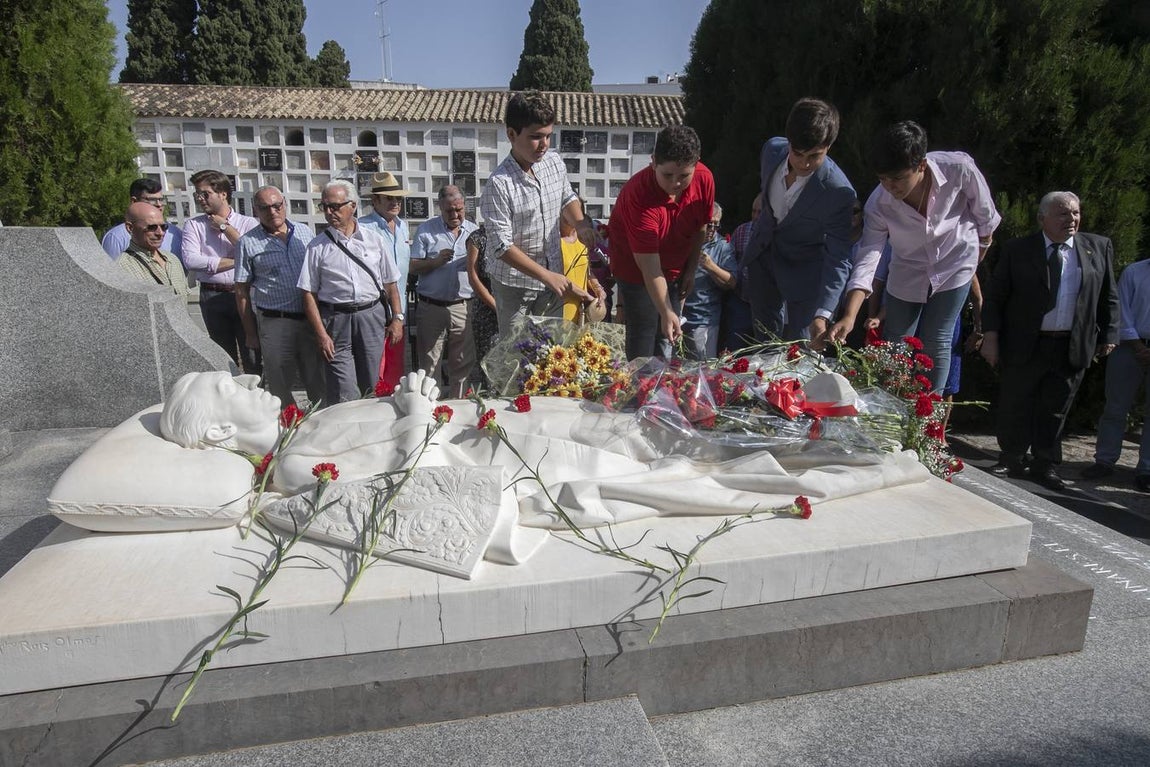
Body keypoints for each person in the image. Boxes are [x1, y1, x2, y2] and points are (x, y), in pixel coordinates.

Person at [158, 370, 927, 531]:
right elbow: (399, 481)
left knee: (660, 427)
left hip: (498, 424)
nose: (248, 376)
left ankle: (820, 427)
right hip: (504, 462)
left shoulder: (306, 424)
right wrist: (416, 407)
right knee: (674, 464)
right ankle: (853, 456)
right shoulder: (293, 467)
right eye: (229, 385)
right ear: (222, 431)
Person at [829, 121, 1000, 392]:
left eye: (897, 178)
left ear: (920, 166)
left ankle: (926, 419)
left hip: (955, 261)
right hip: (907, 267)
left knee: (938, 339)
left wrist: (981, 249)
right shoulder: (878, 203)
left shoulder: (958, 168)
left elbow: (985, 214)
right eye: (882, 178)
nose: (889, 186)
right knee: (896, 342)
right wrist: (850, 315)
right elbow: (869, 256)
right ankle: (891, 412)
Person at [980, 191, 1118, 491]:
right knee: (1016, 402)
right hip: (1026, 342)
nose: (1072, 219)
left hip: (1070, 343)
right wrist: (990, 336)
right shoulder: (1019, 249)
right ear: (1042, 218)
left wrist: (1109, 334)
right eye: (1063, 214)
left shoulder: (1097, 247)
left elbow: (1109, 296)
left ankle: (1045, 463)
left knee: (1056, 407)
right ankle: (1012, 456)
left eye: (1076, 213)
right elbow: (996, 297)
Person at [479, 91, 595, 336]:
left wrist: (581, 224)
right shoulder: (499, 184)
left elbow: (567, 196)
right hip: (515, 286)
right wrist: (546, 276)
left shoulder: (554, 162)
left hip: (553, 277)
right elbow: (501, 246)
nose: (544, 145)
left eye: (548, 136)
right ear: (511, 134)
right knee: (514, 358)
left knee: (550, 355)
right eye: (535, 137)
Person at [742, 98, 856, 345]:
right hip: (762, 260)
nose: (804, 164)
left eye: (815, 156)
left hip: (805, 275)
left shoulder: (839, 191)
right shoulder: (772, 150)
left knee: (801, 353)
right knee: (764, 347)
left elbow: (840, 257)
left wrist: (823, 312)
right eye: (798, 153)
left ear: (829, 147)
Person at [608, 125, 716, 359]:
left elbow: (700, 225)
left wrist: (691, 269)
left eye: (684, 176)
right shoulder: (638, 195)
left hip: (676, 266)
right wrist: (665, 310)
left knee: (668, 335)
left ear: (696, 163)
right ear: (653, 161)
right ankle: (639, 389)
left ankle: (662, 387)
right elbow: (650, 268)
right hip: (636, 270)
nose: (675, 183)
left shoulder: (705, 179)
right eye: (667, 175)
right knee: (644, 332)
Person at [298, 179, 404, 405]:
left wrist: (397, 318)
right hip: (336, 320)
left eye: (335, 206)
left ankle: (373, 430)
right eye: (324, 206)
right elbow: (308, 293)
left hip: (371, 317)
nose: (329, 212)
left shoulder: (373, 240)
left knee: (374, 382)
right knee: (344, 388)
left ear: (352, 206)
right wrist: (321, 334)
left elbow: (390, 283)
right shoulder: (317, 247)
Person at [234, 185, 324, 408]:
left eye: (277, 205)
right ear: (256, 210)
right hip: (275, 322)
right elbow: (242, 292)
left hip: (309, 318)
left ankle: (322, 422)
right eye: (265, 208)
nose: (272, 211)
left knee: (317, 378)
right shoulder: (247, 242)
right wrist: (250, 333)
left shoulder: (304, 232)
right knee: (279, 382)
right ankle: (287, 426)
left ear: (284, 204)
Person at [181, 169, 260, 373]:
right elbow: (191, 260)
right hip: (211, 295)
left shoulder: (248, 223)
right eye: (197, 194)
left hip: (242, 294)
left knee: (252, 353)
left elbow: (253, 254)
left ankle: (256, 397)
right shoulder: (194, 225)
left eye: (205, 193)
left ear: (223, 193)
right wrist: (237, 261)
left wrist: (226, 228)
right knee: (222, 357)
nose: (200, 198)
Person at [1081, 257, 1150, 491]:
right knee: (1115, 407)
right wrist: (1138, 345)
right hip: (1130, 347)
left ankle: (1146, 469)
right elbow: (1121, 309)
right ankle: (1105, 460)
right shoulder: (1134, 271)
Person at [409, 186, 479, 399]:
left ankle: (458, 407)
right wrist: (435, 262)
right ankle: (430, 408)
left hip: (463, 305)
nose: (455, 215)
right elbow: (412, 266)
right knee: (430, 362)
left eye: (459, 210)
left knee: (463, 361)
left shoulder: (473, 231)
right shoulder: (426, 230)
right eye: (450, 211)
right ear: (440, 207)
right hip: (432, 306)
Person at [358, 171, 412, 393]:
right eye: (389, 198)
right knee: (374, 369)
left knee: (394, 370)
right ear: (375, 200)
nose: (395, 202)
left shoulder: (402, 226)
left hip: (400, 311)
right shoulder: (363, 228)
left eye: (398, 198)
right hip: (376, 311)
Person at [682, 203, 737, 359]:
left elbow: (732, 282)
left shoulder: (722, 246)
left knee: (702, 369)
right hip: (678, 316)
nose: (711, 229)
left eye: (716, 225)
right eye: (708, 224)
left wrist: (710, 266)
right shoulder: (685, 240)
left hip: (704, 319)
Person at [116, 201, 188, 296]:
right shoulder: (122, 268)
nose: (160, 233)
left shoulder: (172, 260)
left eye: (163, 227)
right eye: (152, 227)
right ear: (130, 228)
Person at [101, 177, 183, 260]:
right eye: (152, 200)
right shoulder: (117, 237)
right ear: (134, 201)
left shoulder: (175, 233)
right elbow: (110, 271)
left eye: (161, 199)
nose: (159, 204)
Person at [724, 194, 760, 352]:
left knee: (764, 351)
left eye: (761, 212)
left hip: (765, 303)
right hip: (742, 299)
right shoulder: (742, 231)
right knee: (735, 347)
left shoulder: (777, 232)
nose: (756, 216)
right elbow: (731, 261)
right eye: (754, 211)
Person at [558, 210, 606, 324]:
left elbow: (587, 271)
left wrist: (598, 289)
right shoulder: (555, 243)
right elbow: (560, 279)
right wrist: (587, 296)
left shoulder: (582, 241)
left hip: (581, 310)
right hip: (560, 308)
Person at [465, 224, 498, 388]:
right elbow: (473, 276)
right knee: (489, 365)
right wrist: (497, 307)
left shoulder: (514, 234)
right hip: (487, 311)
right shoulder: (476, 238)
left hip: (513, 307)